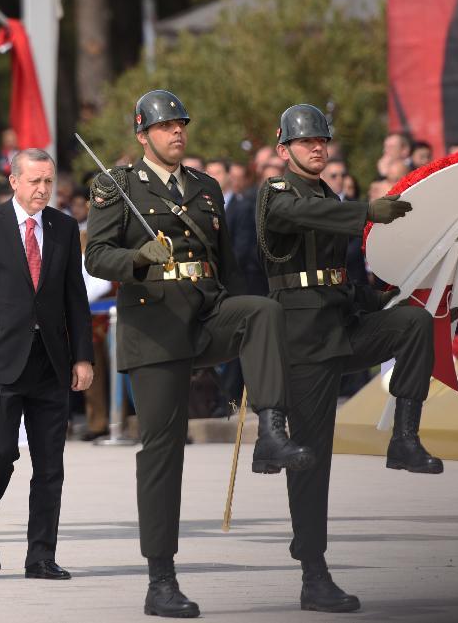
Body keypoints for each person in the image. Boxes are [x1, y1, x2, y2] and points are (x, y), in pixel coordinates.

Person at [85, 90, 313, 619]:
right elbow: (96, 255)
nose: (177, 133)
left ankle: (271, 432)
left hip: (207, 311)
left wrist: (231, 312)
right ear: (143, 135)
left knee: (260, 312)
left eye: (181, 125)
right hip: (155, 326)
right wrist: (137, 258)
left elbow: (227, 265)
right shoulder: (116, 184)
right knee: (164, 453)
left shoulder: (205, 187)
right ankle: (160, 580)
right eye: (165, 127)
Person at [257, 104, 439, 613]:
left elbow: (333, 275)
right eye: (306, 141)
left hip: (341, 326)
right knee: (311, 458)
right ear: (284, 148)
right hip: (303, 340)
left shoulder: (326, 193)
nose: (317, 147)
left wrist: (372, 297)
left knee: (413, 323)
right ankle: (313, 574)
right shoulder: (278, 193)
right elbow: (299, 219)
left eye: (322, 140)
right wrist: (365, 211)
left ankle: (404, 437)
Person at [0, 148, 94, 580]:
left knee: (50, 466)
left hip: (50, 361)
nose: (42, 189)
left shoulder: (65, 228)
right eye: (34, 181)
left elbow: (75, 298)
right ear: (13, 181)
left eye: (48, 181)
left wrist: (82, 356)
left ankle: (41, 557)